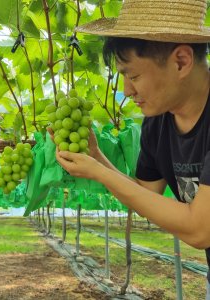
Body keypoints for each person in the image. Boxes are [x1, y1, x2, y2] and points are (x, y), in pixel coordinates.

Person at [54, 0, 210, 298]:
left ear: (181, 61)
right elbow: (144, 194)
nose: (126, 90)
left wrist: (99, 171)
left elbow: (201, 229)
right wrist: (96, 159)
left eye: (133, 76)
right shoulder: (157, 123)